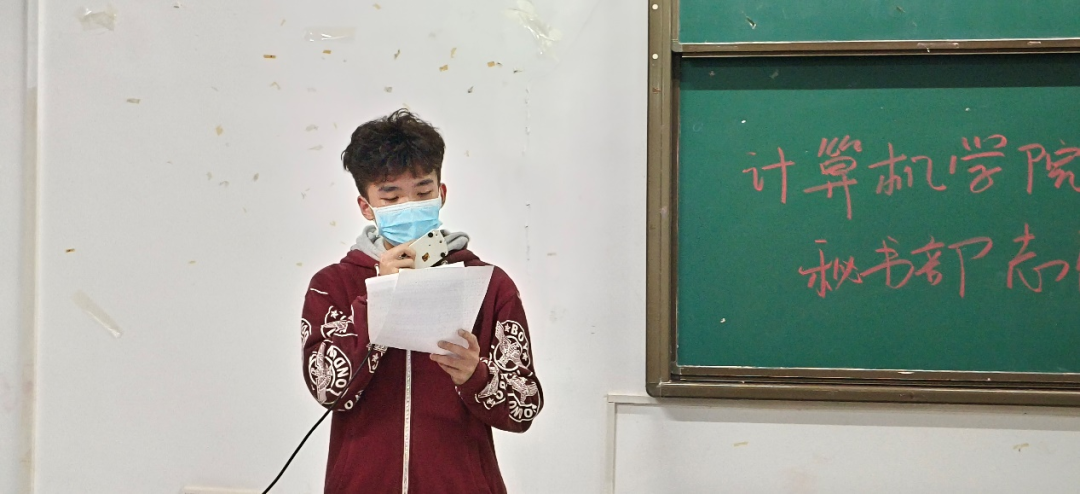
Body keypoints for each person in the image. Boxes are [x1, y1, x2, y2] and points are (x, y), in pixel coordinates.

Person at [300, 109, 543, 493]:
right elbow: (328, 389)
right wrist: (377, 298)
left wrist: (476, 376)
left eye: (423, 192)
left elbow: (523, 408)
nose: (409, 204)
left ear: (441, 194)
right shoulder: (331, 287)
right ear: (366, 206)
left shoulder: (489, 285)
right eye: (391, 196)